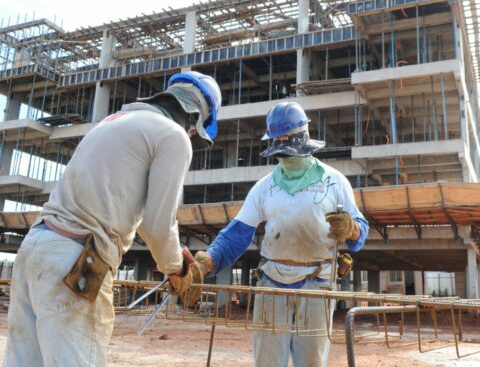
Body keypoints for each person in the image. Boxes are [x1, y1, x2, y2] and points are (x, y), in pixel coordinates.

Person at [3, 71, 221, 367]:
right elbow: (158, 225)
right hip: (78, 261)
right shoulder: (174, 136)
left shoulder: (112, 122)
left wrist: (175, 261)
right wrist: (178, 269)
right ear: (195, 120)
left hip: (35, 248)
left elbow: (142, 217)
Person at [190, 102, 369, 367]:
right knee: (268, 360)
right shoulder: (265, 187)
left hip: (317, 283)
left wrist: (352, 228)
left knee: (311, 361)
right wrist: (207, 262)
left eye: (288, 148)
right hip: (272, 282)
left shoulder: (334, 181)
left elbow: (360, 235)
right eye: (280, 150)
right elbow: (237, 234)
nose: (285, 158)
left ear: (303, 140)